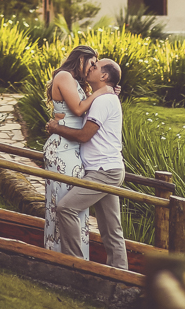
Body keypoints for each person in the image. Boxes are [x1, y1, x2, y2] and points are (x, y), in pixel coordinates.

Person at [45, 58, 128, 271]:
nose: (91, 68)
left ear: (104, 76)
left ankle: (77, 267)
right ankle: (120, 276)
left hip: (103, 171)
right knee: (111, 229)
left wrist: (56, 128)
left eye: (95, 67)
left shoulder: (103, 101)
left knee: (66, 208)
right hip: (108, 169)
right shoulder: (103, 98)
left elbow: (84, 135)